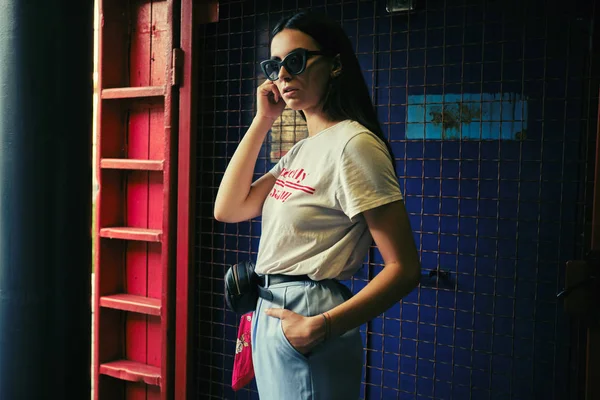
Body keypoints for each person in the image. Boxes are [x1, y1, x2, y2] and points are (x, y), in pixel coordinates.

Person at [214, 11, 421, 400]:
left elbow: (404, 267)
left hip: (310, 313)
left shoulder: (354, 145)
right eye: (274, 66)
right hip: (271, 310)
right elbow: (228, 208)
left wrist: (321, 326)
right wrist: (263, 120)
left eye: (296, 61)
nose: (283, 76)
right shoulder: (302, 150)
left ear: (335, 64)